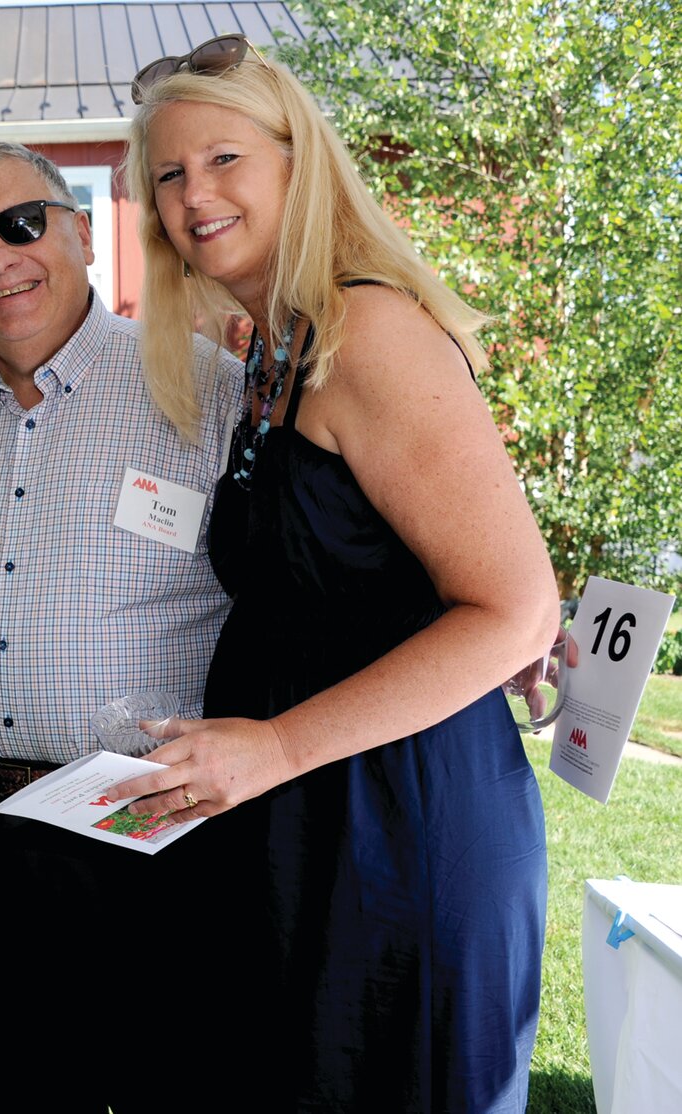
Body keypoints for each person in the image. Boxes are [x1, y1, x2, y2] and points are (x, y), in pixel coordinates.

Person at [113, 36, 556, 1111]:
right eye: (168, 176)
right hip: (303, 823)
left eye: (223, 159)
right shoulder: (274, 350)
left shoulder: (369, 335)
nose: (193, 195)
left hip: (402, 826)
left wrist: (275, 746)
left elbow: (515, 607)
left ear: (296, 161)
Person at [0, 141, 243, 1111]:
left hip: (146, 821)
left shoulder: (203, 389)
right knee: (8, 1088)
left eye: (21, 224)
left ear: (82, 232)